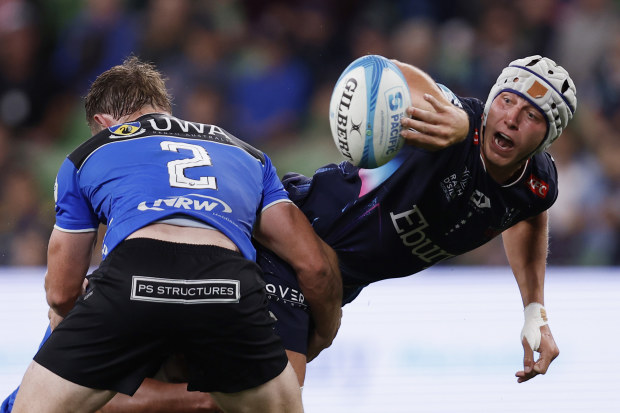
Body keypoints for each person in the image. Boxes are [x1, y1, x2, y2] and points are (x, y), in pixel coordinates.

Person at [4, 54, 576, 411]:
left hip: (315, 266)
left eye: (530, 116)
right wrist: (459, 112)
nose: (510, 117)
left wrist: (534, 309)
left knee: (164, 362)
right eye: (505, 100)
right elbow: (389, 74)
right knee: (240, 398)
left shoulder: (536, 184)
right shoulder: (449, 123)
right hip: (295, 239)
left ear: (545, 138)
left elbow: (524, 212)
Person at [10, 56, 342, 413]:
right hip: (228, 287)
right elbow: (315, 267)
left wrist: (81, 341)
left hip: (133, 277)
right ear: (165, 111)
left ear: (101, 123)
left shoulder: (90, 151)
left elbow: (61, 294)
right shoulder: (249, 155)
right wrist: (323, 335)